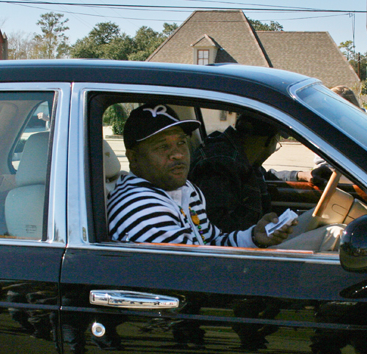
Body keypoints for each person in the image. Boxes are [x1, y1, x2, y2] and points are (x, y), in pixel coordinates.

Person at [107, 103, 294, 249]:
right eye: (162, 146)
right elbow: (196, 273)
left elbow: (212, 242)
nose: (178, 154)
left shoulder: (186, 189)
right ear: (133, 158)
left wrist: (254, 236)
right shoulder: (141, 208)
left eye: (181, 142)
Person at [189, 114, 344, 252]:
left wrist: (300, 175)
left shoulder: (240, 158)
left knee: (328, 214)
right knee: (336, 235)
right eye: (276, 143)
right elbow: (218, 227)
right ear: (267, 141)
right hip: (246, 251)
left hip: (259, 237)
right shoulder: (219, 166)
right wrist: (255, 236)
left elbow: (267, 175)